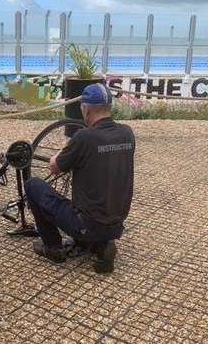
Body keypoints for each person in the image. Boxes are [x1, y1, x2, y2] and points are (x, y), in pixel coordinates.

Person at [24, 83, 135, 273]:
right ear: (109, 107)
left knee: (33, 185)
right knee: (94, 201)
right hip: (116, 224)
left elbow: (55, 167)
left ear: (86, 108)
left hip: (86, 224)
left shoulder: (84, 137)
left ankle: (52, 247)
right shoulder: (127, 133)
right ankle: (100, 245)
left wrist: (64, 150)